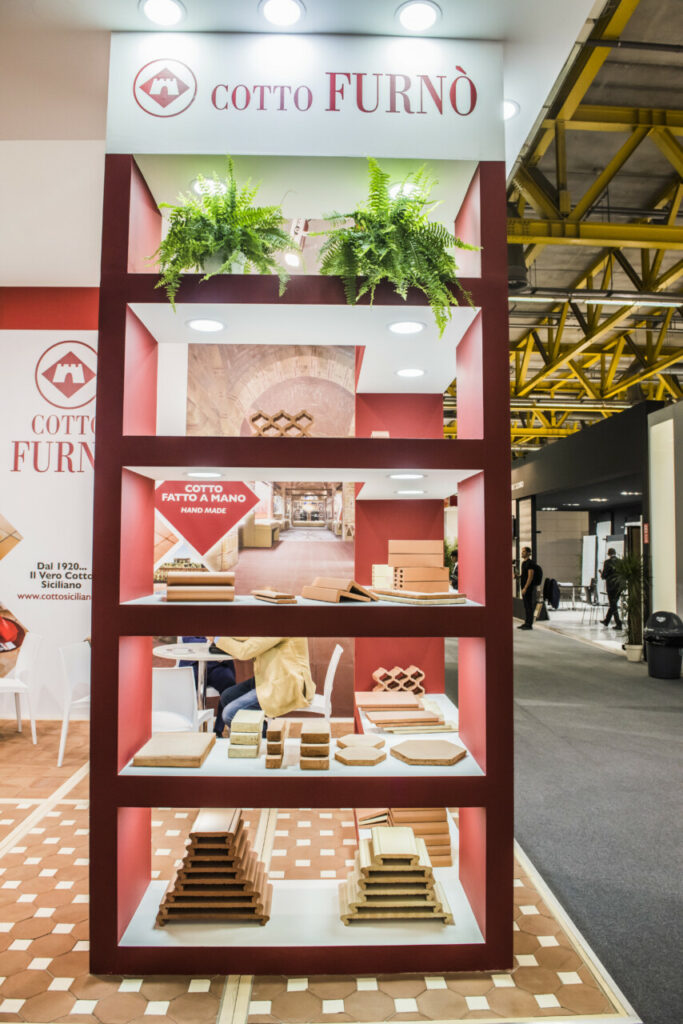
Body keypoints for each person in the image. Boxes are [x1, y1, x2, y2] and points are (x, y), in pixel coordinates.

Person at [212, 636, 315, 737]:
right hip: (270, 678)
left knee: (230, 714)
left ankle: (271, 736)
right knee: (227, 697)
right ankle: (256, 730)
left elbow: (244, 651)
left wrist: (217, 639)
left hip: (288, 685)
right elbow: (247, 637)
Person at [600, 548, 623, 629]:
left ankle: (618, 623)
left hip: (611, 586)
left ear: (608, 554)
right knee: (613, 604)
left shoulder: (607, 562)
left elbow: (604, 576)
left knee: (613, 604)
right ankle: (607, 620)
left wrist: (601, 574)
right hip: (619, 586)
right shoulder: (621, 562)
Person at [518, 546, 540, 630]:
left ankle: (529, 624)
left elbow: (530, 576)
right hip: (524, 587)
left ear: (528, 553)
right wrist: (517, 576)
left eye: (523, 551)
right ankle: (526, 622)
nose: (522, 553)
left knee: (529, 606)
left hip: (528, 587)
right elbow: (524, 575)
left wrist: (525, 588)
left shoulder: (531, 563)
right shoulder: (524, 563)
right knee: (526, 606)